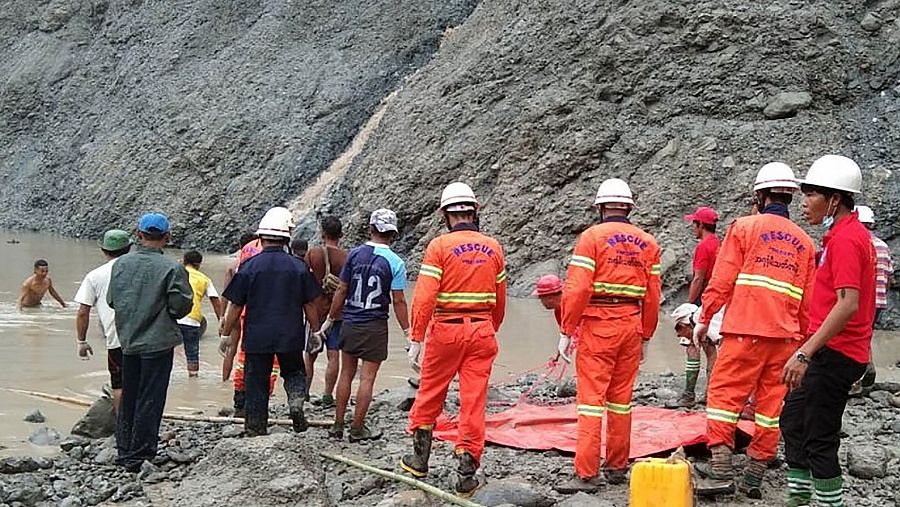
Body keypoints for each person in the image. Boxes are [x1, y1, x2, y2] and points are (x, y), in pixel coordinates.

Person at [693, 162, 816, 498]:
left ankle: (721, 468)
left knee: (724, 396)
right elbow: (807, 303)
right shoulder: (806, 243)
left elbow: (722, 279)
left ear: (760, 195)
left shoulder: (744, 227)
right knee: (771, 408)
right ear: (790, 197)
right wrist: (802, 346)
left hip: (744, 331)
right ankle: (754, 476)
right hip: (786, 338)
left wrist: (705, 317)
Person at [554, 178, 662, 493]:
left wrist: (566, 329)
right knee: (621, 401)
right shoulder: (648, 242)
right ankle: (617, 466)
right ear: (628, 208)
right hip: (631, 324)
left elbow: (578, 288)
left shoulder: (591, 238)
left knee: (591, 402)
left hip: (599, 325)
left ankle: (587, 473)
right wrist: (646, 335)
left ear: (601, 208)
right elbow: (653, 296)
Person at [400, 182, 507, 497]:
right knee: (473, 401)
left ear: (445, 214)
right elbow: (500, 300)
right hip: (482, 329)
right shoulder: (494, 247)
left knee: (431, 392)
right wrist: (489, 328)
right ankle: (466, 474)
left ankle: (419, 461)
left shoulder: (439, 246)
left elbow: (424, 297)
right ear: (475, 211)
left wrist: (416, 337)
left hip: (446, 329)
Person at [780, 155, 875, 507]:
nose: (804, 202)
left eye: (811, 194)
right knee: (793, 419)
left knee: (819, 435)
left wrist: (805, 353)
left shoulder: (848, 239)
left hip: (836, 353)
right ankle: (799, 495)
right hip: (827, 349)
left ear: (835, 199)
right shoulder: (841, 236)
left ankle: (829, 502)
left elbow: (847, 304)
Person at [220, 207, 322, 436]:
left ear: (261, 236)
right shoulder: (299, 267)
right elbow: (310, 304)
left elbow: (235, 305)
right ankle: (295, 402)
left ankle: (256, 427)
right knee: (294, 372)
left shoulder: (249, 266)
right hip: (290, 334)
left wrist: (226, 334)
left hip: (257, 336)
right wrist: (315, 332)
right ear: (287, 237)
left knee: (256, 380)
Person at [106, 213, 193, 472]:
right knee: (151, 397)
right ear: (167, 237)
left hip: (128, 341)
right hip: (157, 343)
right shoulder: (172, 268)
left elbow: (112, 300)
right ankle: (140, 454)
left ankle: (124, 449)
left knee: (130, 394)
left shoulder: (121, 264)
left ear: (139, 235)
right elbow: (180, 307)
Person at [319, 209, 410, 441]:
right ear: (393, 234)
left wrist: (330, 319)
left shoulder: (354, 255)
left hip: (350, 321)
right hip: (375, 325)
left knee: (346, 374)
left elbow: (342, 290)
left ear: (370, 229)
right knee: (367, 378)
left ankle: (337, 425)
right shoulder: (396, 262)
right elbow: (399, 300)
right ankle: (357, 428)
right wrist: (408, 332)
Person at [73, 229, 135, 414]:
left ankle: (123, 426)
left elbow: (83, 312)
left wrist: (81, 341)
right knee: (144, 383)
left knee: (119, 385)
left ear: (103, 250)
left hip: (117, 338)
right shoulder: (141, 270)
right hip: (146, 337)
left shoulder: (94, 276)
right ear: (129, 248)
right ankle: (145, 425)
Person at [305, 216, 348, 408]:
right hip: (337, 313)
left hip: (314, 312)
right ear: (341, 234)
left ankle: (304, 393)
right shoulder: (346, 257)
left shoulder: (313, 253)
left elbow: (303, 278)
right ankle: (328, 396)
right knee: (334, 355)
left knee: (310, 354)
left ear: (322, 233)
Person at [851, 205, 894, 392]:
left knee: (854, 339)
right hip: (879, 302)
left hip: (860, 302)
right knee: (865, 335)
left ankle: (857, 379)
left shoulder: (857, 243)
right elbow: (889, 277)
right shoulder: (883, 246)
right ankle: (867, 369)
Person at [177, 251, 223, 377]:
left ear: (184, 261)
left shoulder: (175, 273)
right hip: (193, 319)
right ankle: (193, 378)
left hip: (173, 318)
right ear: (198, 264)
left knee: (166, 351)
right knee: (192, 353)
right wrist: (222, 324)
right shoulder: (204, 279)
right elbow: (216, 302)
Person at [668, 303, 722, 408]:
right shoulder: (701, 320)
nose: (678, 335)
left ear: (684, 325)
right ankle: (708, 395)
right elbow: (712, 356)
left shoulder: (707, 323)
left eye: (678, 330)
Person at [534, 274, 577, 362]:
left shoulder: (573, 306)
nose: (541, 303)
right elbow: (565, 334)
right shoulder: (558, 311)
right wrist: (558, 356)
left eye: (541, 299)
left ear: (550, 298)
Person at [685, 206, 720, 306]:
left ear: (700, 224)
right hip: (713, 296)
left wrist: (689, 304)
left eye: (694, 223)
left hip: (703, 297)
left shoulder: (703, 246)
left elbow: (698, 279)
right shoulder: (717, 242)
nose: (693, 227)